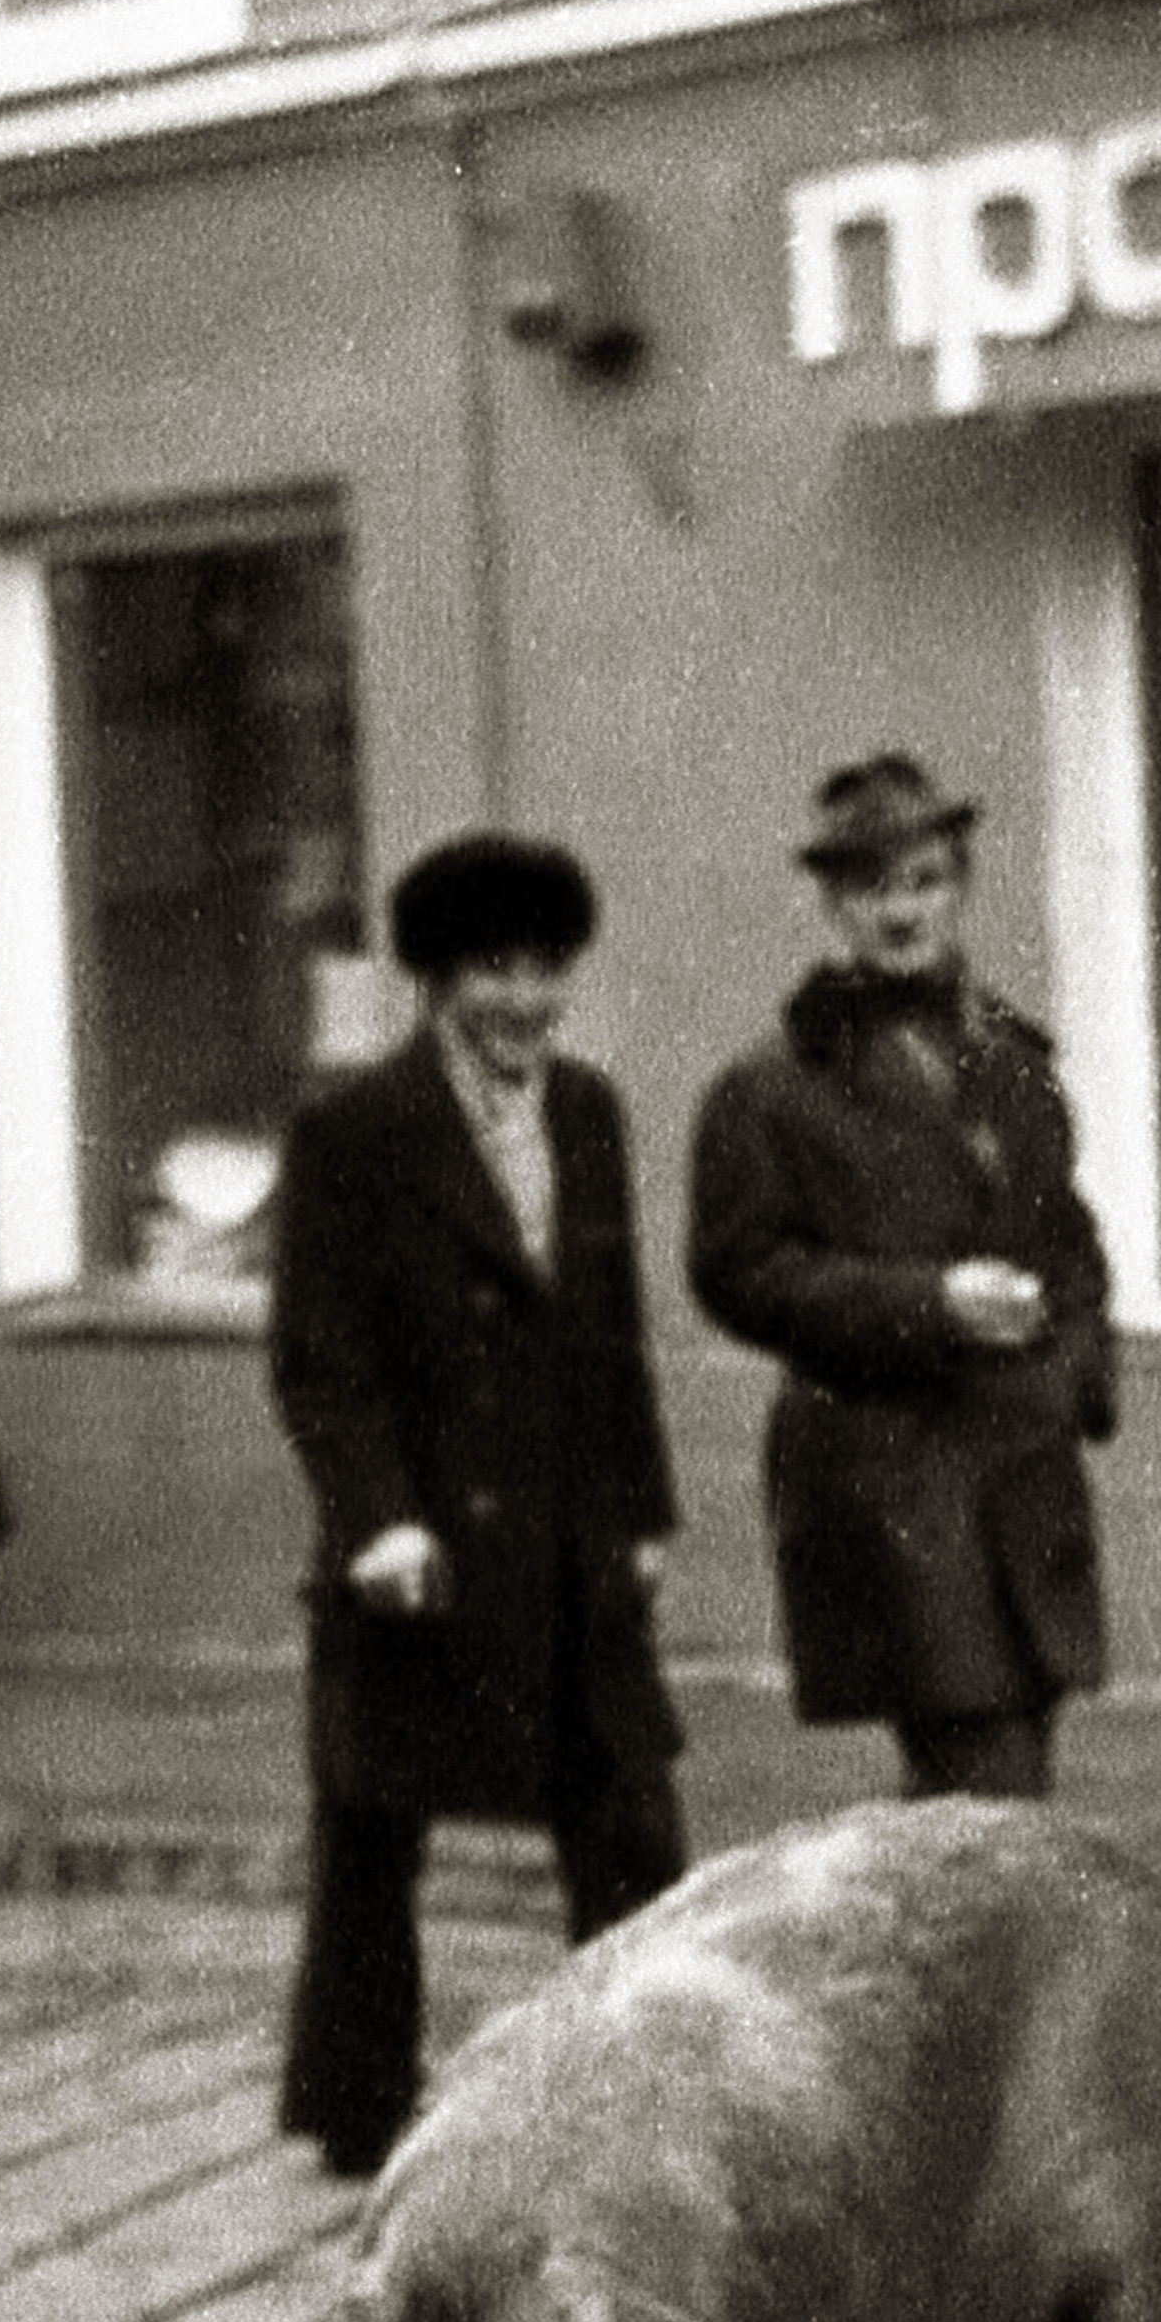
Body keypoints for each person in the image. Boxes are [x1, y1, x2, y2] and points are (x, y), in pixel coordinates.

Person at [269, 826, 687, 2182]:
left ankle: (634, 2076)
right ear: (438, 980)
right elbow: (318, 1356)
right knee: (374, 1821)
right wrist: (374, 1517)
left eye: (545, 970)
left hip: (568, 1530)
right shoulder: (355, 1130)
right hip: (423, 1539)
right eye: (494, 972)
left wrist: (642, 1511)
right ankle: (350, 2097)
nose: (524, 1000)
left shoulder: (588, 1111)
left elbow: (611, 1325)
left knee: (625, 1804)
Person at [688, 750, 1114, 1800]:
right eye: (872, 887)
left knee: (997, 1783)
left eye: (924, 881)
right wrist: (929, 1306)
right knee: (988, 1784)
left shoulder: (1012, 1061)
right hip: (891, 1483)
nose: (901, 910)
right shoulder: (772, 1084)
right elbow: (736, 1271)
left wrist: (1077, 1371)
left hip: (1022, 1475)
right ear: (832, 905)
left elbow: (1069, 1238)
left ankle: (928, 1963)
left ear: (959, 889)